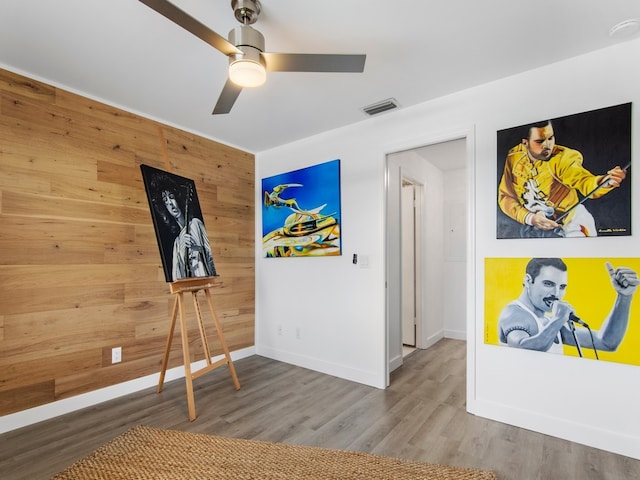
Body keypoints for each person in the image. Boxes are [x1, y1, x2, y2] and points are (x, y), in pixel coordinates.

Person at [497, 120, 627, 238]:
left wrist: (606, 181)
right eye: (540, 141)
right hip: (534, 227)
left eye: (550, 138)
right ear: (525, 143)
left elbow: (584, 181)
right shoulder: (514, 157)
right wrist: (529, 218)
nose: (548, 145)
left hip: (572, 222)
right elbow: (505, 197)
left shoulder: (564, 159)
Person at [498, 258, 638, 355]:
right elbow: (523, 350)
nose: (556, 294)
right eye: (548, 284)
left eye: (562, 287)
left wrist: (624, 296)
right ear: (528, 281)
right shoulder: (513, 313)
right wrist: (559, 319)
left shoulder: (548, 323)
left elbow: (606, 342)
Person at [160, 188, 217, 280]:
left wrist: (196, 248)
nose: (170, 203)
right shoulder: (177, 242)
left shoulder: (195, 224)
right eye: (165, 201)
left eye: (171, 197)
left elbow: (211, 255)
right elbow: (177, 277)